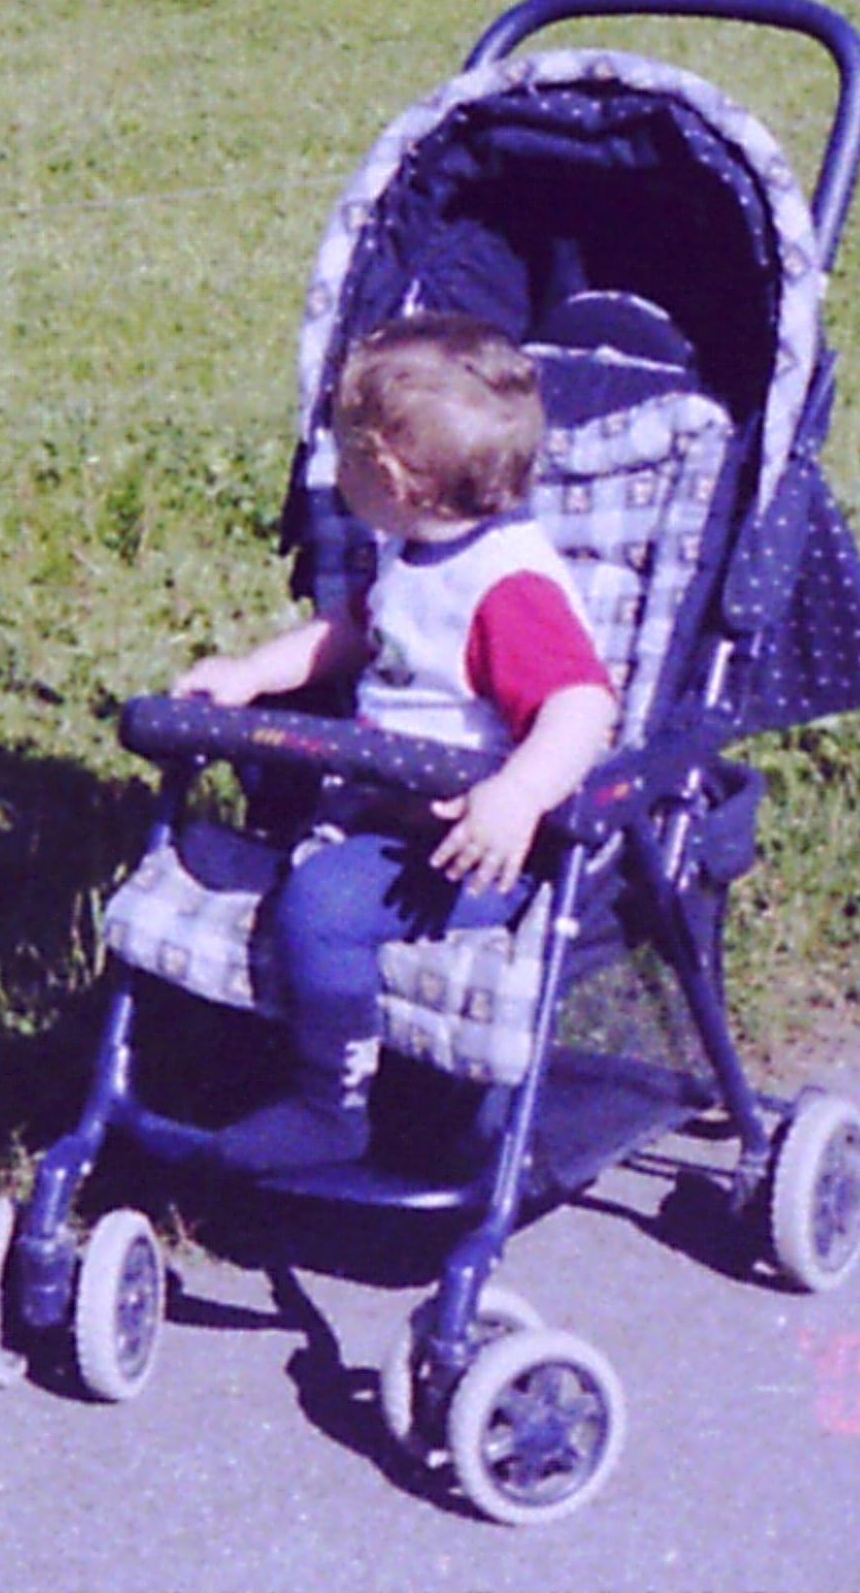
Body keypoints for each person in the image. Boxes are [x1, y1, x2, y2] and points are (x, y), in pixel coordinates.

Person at [171, 313, 615, 1174]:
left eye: (343, 453)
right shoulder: (415, 556)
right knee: (265, 840)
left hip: (470, 851)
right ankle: (289, 887)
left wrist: (517, 795)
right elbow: (356, 631)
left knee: (323, 906)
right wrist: (253, 674)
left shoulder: (507, 586)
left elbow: (582, 705)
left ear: (389, 472)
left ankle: (328, 1106)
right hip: (384, 813)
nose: (332, 472)